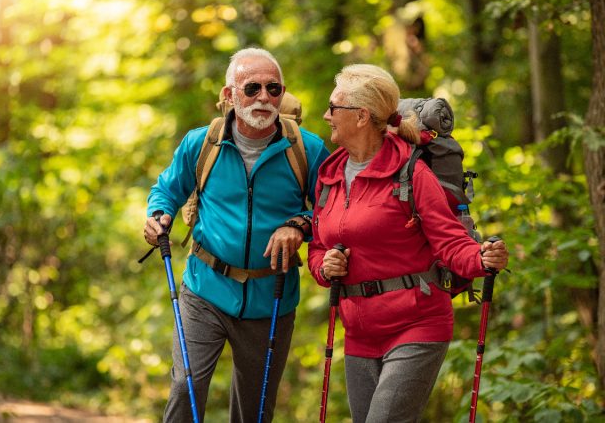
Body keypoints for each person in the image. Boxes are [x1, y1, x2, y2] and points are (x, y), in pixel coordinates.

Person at [307, 64, 509, 423]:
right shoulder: (330, 176)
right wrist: (324, 266)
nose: (326, 115)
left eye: (333, 108)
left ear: (361, 116)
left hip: (416, 324)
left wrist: (482, 258)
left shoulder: (411, 172)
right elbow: (318, 249)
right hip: (359, 334)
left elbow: (450, 243)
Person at [143, 47, 329, 422]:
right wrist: (158, 214)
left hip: (271, 296)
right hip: (205, 288)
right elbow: (166, 190)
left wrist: (299, 225)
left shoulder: (306, 149)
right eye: (252, 87)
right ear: (229, 95)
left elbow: (333, 209)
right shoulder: (202, 143)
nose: (264, 97)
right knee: (186, 386)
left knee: (255, 409)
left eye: (273, 89)